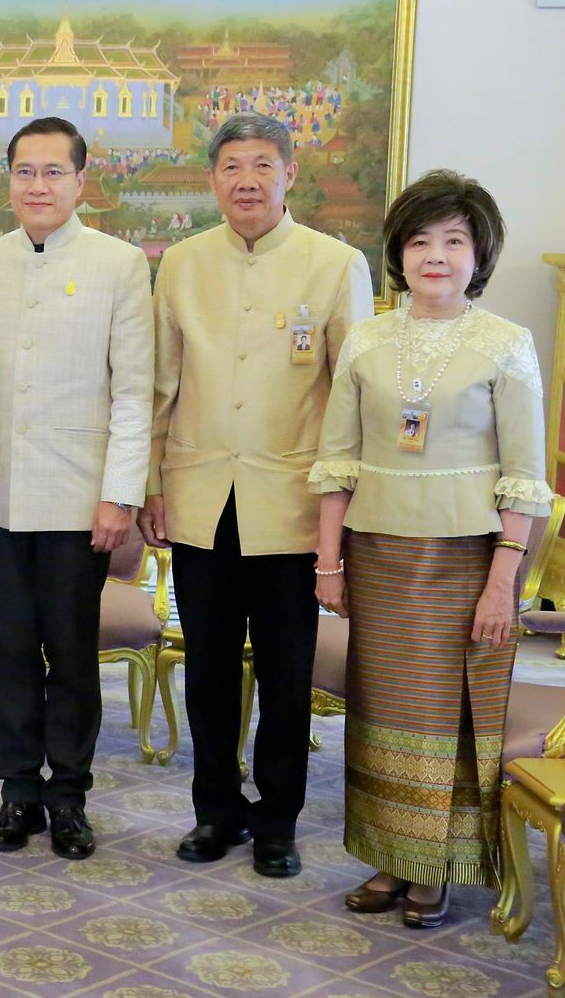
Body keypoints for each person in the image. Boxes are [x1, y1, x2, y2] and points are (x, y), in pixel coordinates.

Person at [311, 170, 549, 927]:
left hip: (467, 561)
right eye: (420, 240)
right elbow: (337, 460)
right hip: (378, 554)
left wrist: (501, 583)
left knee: (447, 717)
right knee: (382, 711)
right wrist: (328, 561)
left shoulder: (506, 344)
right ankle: (389, 855)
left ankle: (435, 870)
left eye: (454, 240)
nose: (436, 255)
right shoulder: (367, 338)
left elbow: (524, 478)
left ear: (479, 254)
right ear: (398, 253)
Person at [140, 111, 373, 877]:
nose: (247, 179)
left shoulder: (335, 264)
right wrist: (151, 486)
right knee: (206, 667)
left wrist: (341, 523)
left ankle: (278, 821)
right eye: (232, 165)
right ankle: (216, 812)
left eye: (263, 165)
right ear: (212, 179)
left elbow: (352, 401)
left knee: (284, 672)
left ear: (289, 174)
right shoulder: (180, 263)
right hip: (201, 496)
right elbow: (160, 388)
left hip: (294, 506)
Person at [0, 118, 152, 860]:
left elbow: (134, 391)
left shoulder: (120, 263)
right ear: (8, 179)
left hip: (82, 501)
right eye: (24, 171)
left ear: (82, 181)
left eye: (53, 172)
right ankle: (17, 792)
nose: (37, 185)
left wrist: (121, 495)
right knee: (10, 651)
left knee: (73, 656)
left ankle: (69, 796)